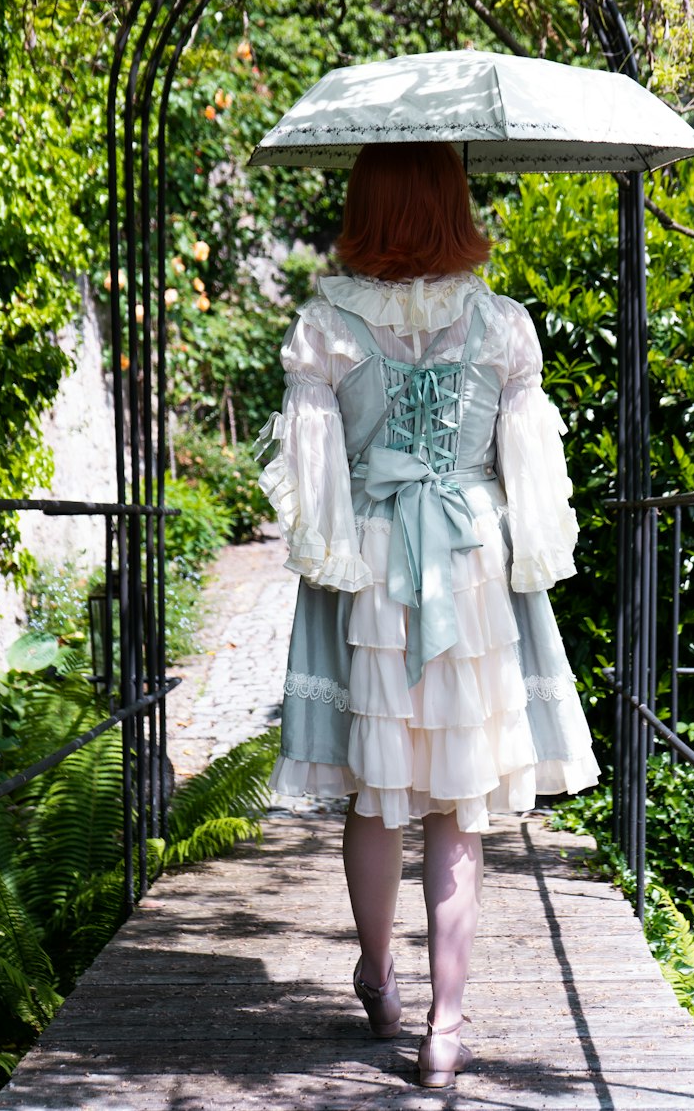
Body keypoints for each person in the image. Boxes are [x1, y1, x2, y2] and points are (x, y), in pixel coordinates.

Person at [256, 142, 599, 1089]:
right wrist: (537, 553)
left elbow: (315, 476)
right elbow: (530, 470)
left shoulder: (326, 328)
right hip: (472, 565)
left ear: (366, 204)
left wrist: (325, 558)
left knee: (377, 792)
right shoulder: (501, 328)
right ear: (454, 202)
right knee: (459, 797)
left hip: (372, 561)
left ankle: (380, 977)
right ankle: (446, 1028)